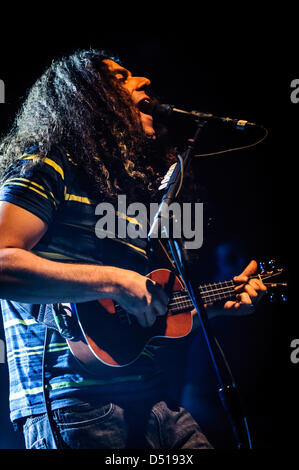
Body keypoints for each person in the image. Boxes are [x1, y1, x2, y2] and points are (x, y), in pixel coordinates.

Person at [0, 49, 266, 449]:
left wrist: (214, 304)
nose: (143, 80)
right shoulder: (46, 163)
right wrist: (116, 280)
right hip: (72, 402)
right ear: (87, 97)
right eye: (122, 77)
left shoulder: (122, 193)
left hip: (155, 398)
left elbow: (143, 306)